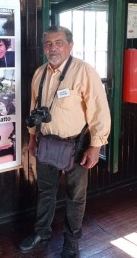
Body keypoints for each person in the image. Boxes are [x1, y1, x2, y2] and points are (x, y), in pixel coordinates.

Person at [19, 25, 111, 257]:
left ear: (70, 45)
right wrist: (32, 136)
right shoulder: (40, 73)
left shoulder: (84, 71)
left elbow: (99, 111)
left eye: (59, 42)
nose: (53, 48)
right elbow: (33, 108)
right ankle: (42, 232)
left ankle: (72, 240)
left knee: (75, 196)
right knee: (45, 192)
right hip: (46, 144)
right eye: (48, 43)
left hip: (77, 146)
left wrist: (96, 145)